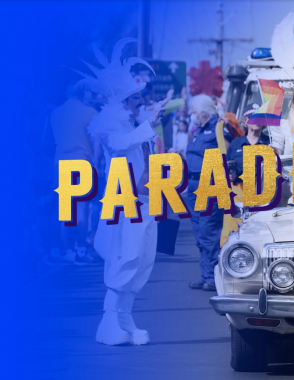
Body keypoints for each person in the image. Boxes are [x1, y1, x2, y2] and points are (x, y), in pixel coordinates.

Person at [80, 39, 167, 345]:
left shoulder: (132, 122)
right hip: (126, 198)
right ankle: (108, 321)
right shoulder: (107, 121)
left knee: (143, 259)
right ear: (122, 99)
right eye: (134, 98)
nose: (139, 101)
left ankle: (125, 319)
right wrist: (147, 126)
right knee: (125, 255)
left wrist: (147, 123)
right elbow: (116, 145)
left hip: (145, 198)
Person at [50, 81, 99, 266]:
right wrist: (97, 162)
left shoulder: (55, 113)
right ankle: (80, 250)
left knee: (62, 210)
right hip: (82, 160)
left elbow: (50, 138)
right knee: (81, 209)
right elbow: (97, 142)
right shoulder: (90, 112)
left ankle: (59, 250)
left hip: (61, 160)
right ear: (83, 92)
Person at [186, 94, 232, 292]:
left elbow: (227, 155)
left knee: (208, 232)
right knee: (199, 233)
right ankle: (206, 275)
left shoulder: (219, 127)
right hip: (194, 185)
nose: (191, 115)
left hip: (210, 183)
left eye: (193, 111)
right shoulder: (199, 130)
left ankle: (214, 277)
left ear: (203, 111)